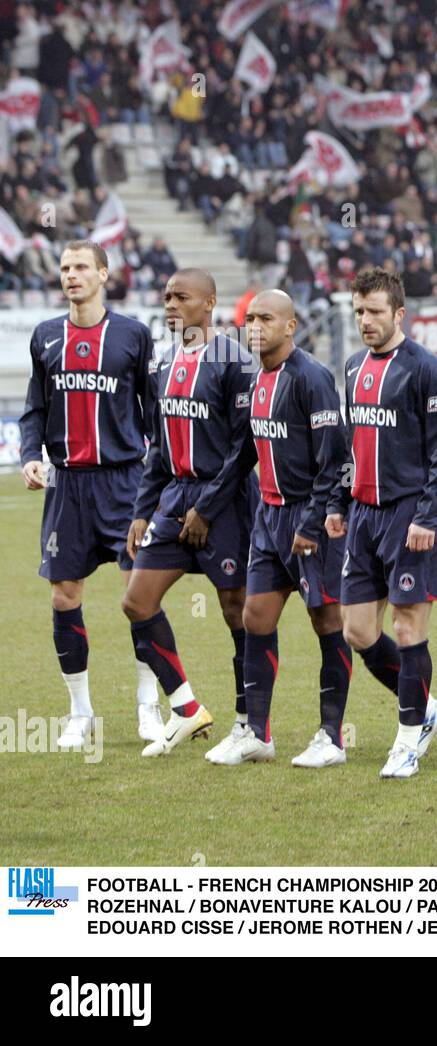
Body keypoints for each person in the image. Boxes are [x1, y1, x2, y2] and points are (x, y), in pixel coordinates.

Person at [19, 240, 161, 752]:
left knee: (138, 598)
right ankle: (80, 711)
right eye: (64, 268)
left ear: (104, 273)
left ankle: (149, 704)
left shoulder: (132, 336)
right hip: (67, 485)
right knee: (63, 596)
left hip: (125, 482)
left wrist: (158, 480)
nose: (71, 275)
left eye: (81, 267)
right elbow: (35, 407)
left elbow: (154, 413)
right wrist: (30, 454)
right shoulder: (44, 337)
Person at [324, 268, 437, 778]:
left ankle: (406, 739)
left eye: (376, 310)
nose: (366, 320)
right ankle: (426, 710)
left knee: (407, 627)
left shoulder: (426, 368)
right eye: (359, 311)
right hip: (362, 515)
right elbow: (351, 445)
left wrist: (429, 514)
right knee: (357, 631)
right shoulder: (355, 367)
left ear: (399, 313)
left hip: (409, 516)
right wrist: (337, 503)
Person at [207, 290, 352, 767]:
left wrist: (312, 522)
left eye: (266, 318)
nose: (255, 327)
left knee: (327, 622)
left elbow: (335, 461)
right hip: (268, 519)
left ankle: (332, 736)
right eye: (250, 319)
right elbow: (245, 452)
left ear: (290, 326)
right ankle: (257, 734)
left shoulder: (312, 379)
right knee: (255, 618)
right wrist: (208, 505)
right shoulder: (254, 381)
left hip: (308, 517)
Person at [122, 269, 257, 758]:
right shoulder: (164, 362)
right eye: (166, 297)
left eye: (182, 296)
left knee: (236, 611)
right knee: (137, 601)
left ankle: (249, 724)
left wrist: (206, 507)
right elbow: (158, 447)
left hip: (226, 502)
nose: (171, 304)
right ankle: (186, 708)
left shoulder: (235, 363)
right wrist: (142, 510)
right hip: (175, 497)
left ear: (211, 302)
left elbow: (245, 451)